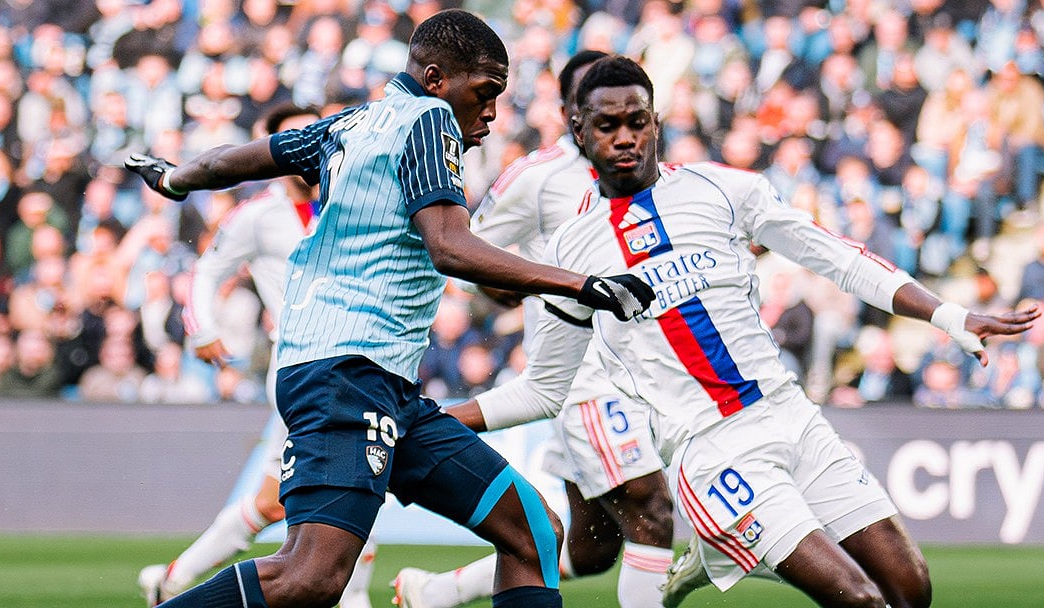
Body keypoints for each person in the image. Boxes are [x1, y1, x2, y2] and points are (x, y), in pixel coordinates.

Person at [443, 56, 1040, 608]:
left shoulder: (724, 190)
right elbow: (544, 390)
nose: (624, 137)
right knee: (858, 600)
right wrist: (432, 421)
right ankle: (720, 539)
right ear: (578, 131)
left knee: (912, 590)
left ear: (656, 122)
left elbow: (839, 258)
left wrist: (948, 315)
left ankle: (713, 554)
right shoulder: (569, 252)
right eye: (606, 125)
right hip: (712, 450)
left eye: (637, 121)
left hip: (791, 416)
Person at [125, 12, 654, 608]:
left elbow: (240, 159)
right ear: (436, 79)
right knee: (311, 577)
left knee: (531, 529)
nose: (490, 114)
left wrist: (176, 178)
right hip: (346, 374)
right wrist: (582, 284)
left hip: (378, 385)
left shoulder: (355, 123)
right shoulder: (431, 123)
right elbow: (450, 246)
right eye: (484, 94)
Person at [392, 50, 675, 608]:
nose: (615, 125)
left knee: (593, 548)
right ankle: (412, 437)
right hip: (584, 373)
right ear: (574, 111)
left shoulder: (647, 176)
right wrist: (548, 290)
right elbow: (472, 254)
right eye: (596, 108)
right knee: (652, 512)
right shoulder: (539, 177)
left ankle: (437, 593)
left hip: (635, 371)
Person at [136, 104, 377, 607]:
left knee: (274, 501)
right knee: (358, 482)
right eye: (289, 139)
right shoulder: (258, 216)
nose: (304, 148)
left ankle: (174, 578)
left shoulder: (349, 199)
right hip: (307, 371)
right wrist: (202, 329)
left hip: (353, 364)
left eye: (311, 133)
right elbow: (206, 270)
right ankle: (355, 601)